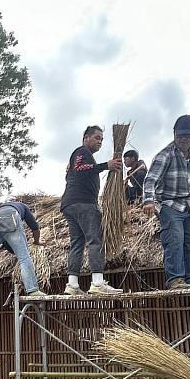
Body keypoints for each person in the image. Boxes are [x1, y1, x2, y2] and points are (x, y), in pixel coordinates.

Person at [142, 115, 190, 290]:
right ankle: (176, 279)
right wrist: (148, 200)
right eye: (179, 136)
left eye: (187, 136)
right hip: (170, 205)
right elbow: (150, 180)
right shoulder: (165, 155)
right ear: (174, 134)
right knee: (174, 241)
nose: (183, 139)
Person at [61, 125, 124, 296]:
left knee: (77, 243)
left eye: (102, 140)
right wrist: (106, 165)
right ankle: (97, 282)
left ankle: (72, 284)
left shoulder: (81, 154)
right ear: (86, 137)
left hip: (70, 204)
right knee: (95, 240)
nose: (100, 142)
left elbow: (75, 172)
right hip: (83, 204)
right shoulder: (82, 152)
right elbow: (80, 169)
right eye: (97, 138)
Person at [0, 201, 46, 300]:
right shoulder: (24, 207)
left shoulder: (1, 207)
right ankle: (33, 290)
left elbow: (7, 243)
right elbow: (35, 227)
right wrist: (37, 241)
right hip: (10, 216)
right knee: (24, 257)